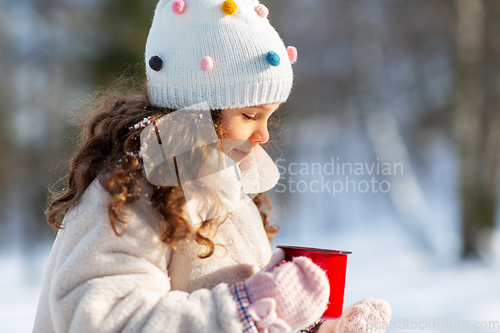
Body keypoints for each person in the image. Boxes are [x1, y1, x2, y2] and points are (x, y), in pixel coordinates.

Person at [33, 0, 392, 332]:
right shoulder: (135, 187)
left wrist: (311, 324)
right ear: (199, 108)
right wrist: (249, 307)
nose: (264, 135)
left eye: (270, 117)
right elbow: (103, 317)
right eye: (251, 114)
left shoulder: (222, 185)